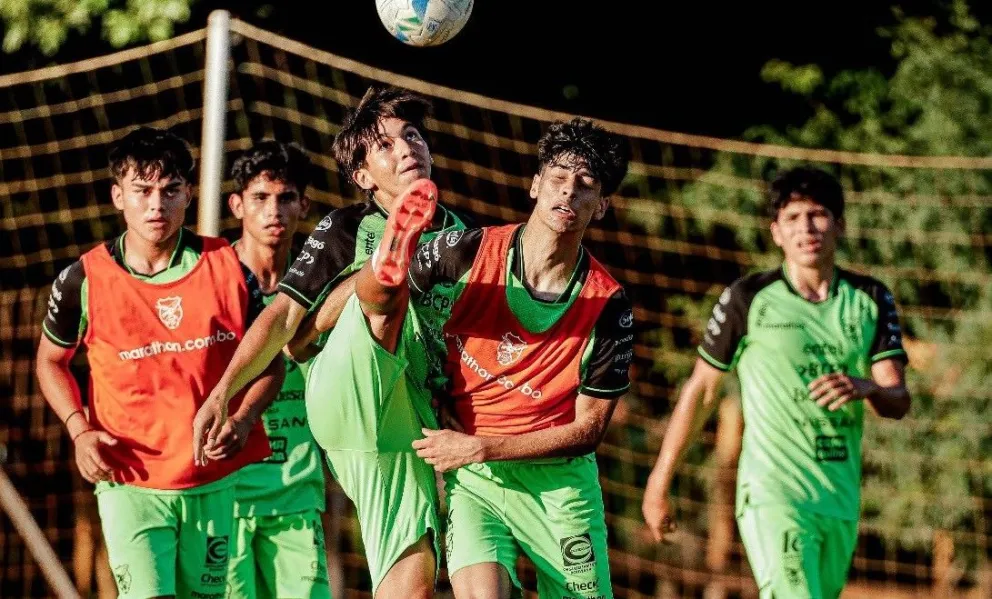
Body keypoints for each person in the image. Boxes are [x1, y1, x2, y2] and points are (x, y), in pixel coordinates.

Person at [196, 86, 467, 598]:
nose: (406, 148)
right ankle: (386, 266)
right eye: (385, 145)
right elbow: (283, 318)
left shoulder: (463, 235)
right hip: (347, 387)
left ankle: (388, 272)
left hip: (409, 412)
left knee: (414, 572)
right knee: (379, 303)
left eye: (412, 136)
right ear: (363, 177)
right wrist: (223, 392)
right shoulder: (345, 226)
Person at [641, 166, 911, 599]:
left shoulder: (871, 298)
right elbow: (702, 390)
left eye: (818, 214)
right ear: (776, 233)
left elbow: (898, 398)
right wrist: (659, 481)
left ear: (839, 225)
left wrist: (870, 388)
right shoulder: (748, 298)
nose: (806, 228)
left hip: (838, 495)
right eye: (792, 217)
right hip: (773, 492)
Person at [35, 126, 282, 599]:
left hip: (210, 481)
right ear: (117, 196)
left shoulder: (229, 267)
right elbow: (51, 362)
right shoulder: (82, 279)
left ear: (189, 194)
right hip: (128, 481)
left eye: (170, 191)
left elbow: (270, 364)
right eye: (142, 191)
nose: (156, 205)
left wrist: (246, 417)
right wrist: (78, 429)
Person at [408, 117, 635, 599]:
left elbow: (587, 432)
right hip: (478, 483)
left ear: (602, 206)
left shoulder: (608, 302)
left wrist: (480, 446)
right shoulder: (467, 251)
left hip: (559, 490)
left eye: (586, 184)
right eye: (558, 177)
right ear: (535, 185)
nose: (568, 192)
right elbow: (386, 295)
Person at [224, 140, 331, 599]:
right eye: (260, 198)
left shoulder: (327, 285)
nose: (275, 211)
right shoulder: (210, 282)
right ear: (236, 205)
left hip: (296, 489)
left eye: (286, 198)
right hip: (222, 491)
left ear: (304, 205)